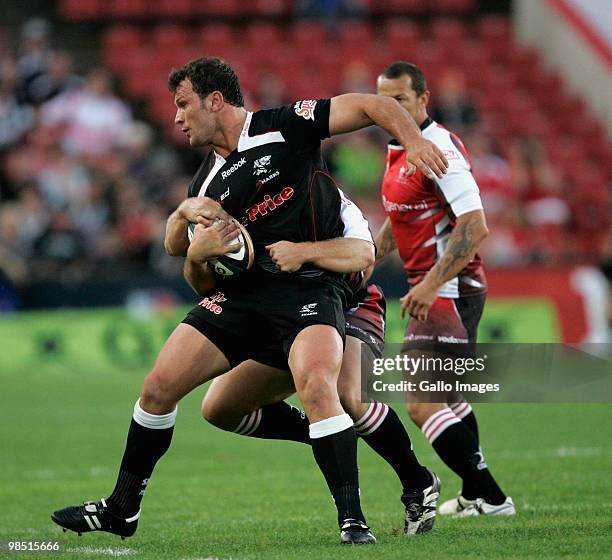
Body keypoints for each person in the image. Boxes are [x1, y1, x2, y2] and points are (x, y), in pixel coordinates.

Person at [51, 57, 448, 544]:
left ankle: (386, 499)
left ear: (215, 101)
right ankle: (122, 510)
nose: (176, 117)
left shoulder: (285, 128)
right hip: (252, 299)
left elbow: (371, 110)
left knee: (341, 394)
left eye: (183, 104)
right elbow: (200, 280)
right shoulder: (205, 186)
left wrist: (415, 141)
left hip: (329, 289)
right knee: (185, 396)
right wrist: (198, 253)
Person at [187, 200, 440, 537]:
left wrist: (304, 252)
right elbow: (205, 281)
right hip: (281, 315)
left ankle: (417, 482)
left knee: (348, 395)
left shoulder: (324, 196)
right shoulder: (234, 199)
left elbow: (365, 260)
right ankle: (329, 432)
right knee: (219, 408)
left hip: (346, 303)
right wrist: (196, 254)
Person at [374, 61, 515, 516]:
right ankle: (479, 496)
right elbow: (401, 218)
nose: (388, 110)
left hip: (447, 289)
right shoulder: (400, 147)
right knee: (451, 398)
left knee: (421, 403)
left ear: (423, 99)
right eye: (381, 102)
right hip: (436, 287)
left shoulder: (439, 150)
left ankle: (492, 498)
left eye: (398, 101)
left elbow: (474, 227)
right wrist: (361, 263)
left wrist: (431, 286)